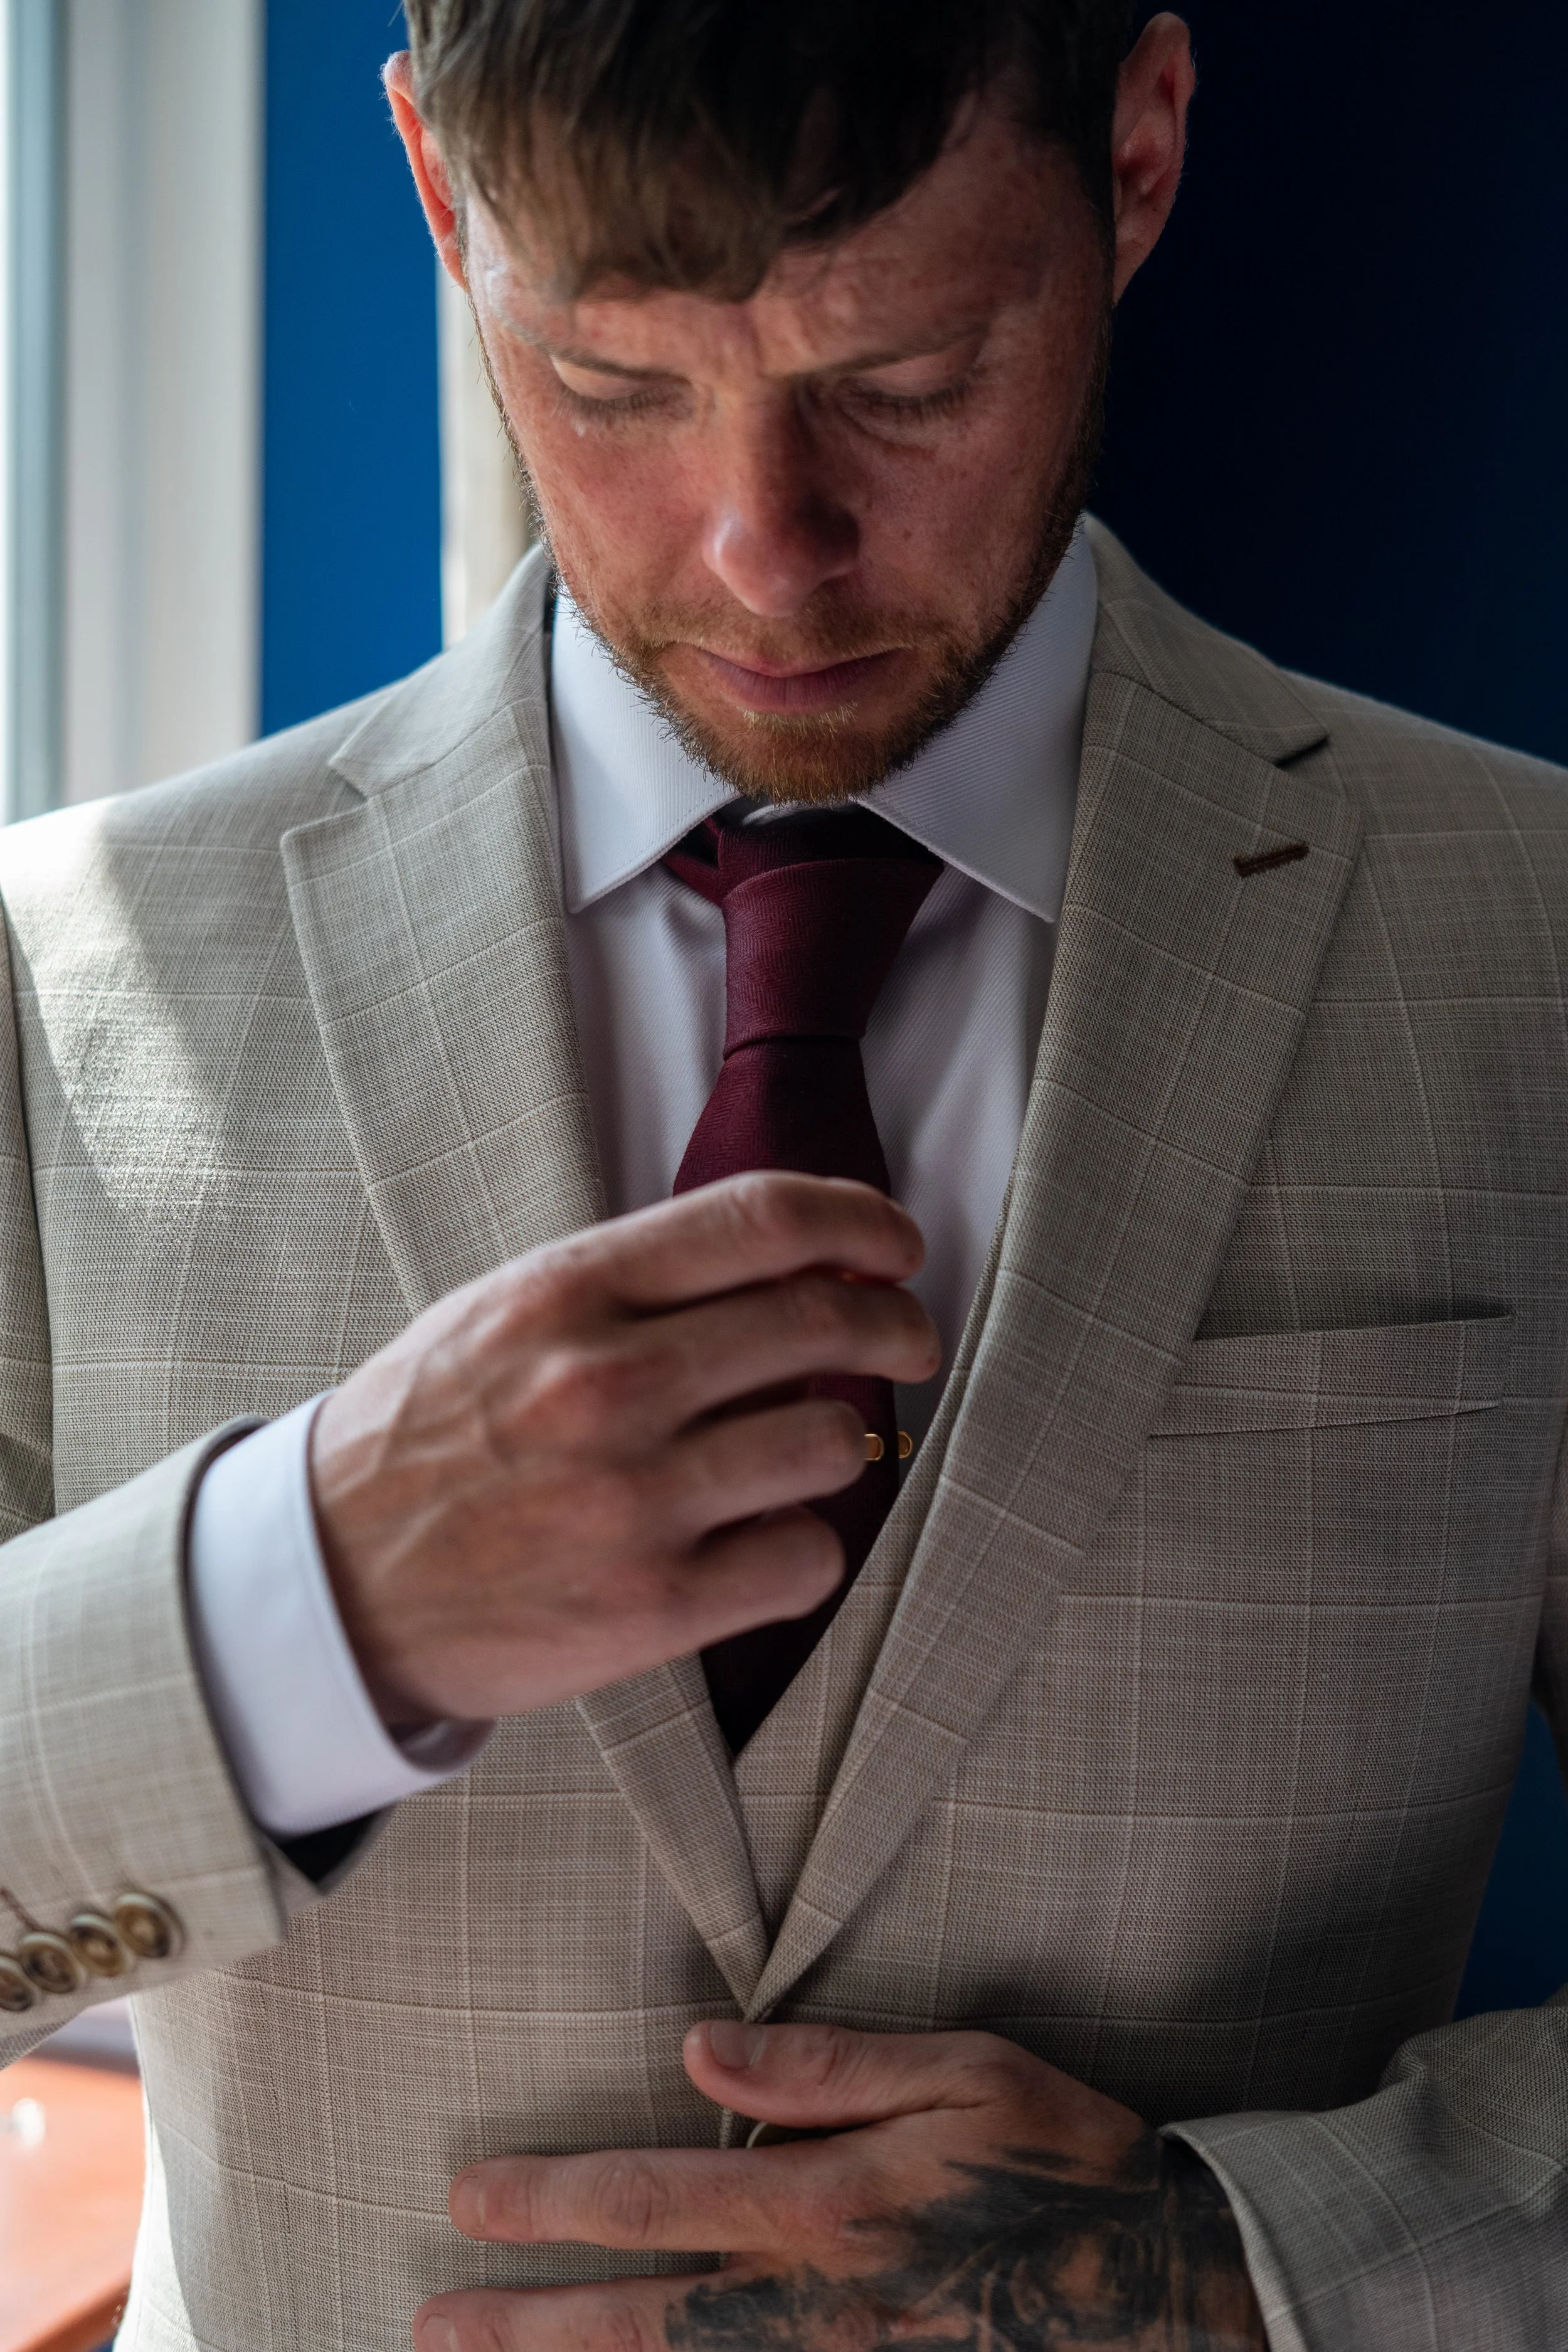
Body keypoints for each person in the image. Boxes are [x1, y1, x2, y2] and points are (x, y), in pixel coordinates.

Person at [0, 2, 1563, 2345]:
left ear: (1137, 156)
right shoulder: (58, 968)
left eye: (910, 377)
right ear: (437, 191)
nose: (768, 549)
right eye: (616, 385)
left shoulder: (1532, 950)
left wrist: (1246, 2270)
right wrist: (288, 1604)